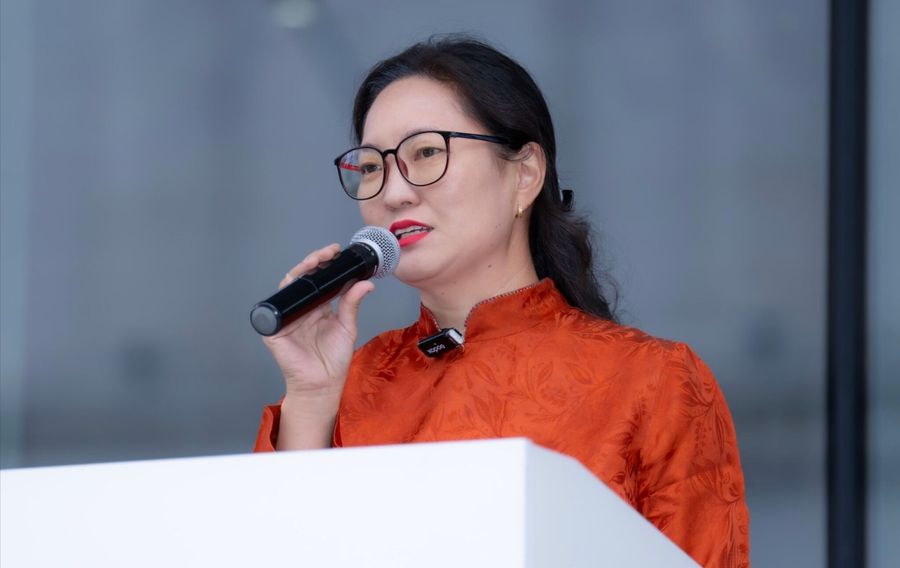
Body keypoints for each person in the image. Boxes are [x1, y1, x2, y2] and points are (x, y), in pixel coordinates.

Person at [253, 36, 749, 567]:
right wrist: (310, 400)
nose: (394, 192)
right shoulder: (355, 383)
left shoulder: (652, 381)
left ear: (524, 174)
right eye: (373, 166)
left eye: (426, 153)